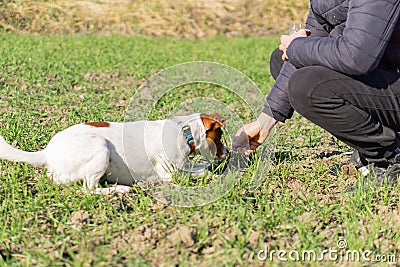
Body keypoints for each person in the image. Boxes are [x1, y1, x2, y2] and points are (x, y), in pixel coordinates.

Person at [233, 0, 400, 187]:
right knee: (283, 63)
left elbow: (356, 57)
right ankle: (368, 147)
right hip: (386, 73)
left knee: (307, 85)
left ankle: (389, 157)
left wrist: (296, 47)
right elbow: (314, 37)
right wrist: (264, 122)